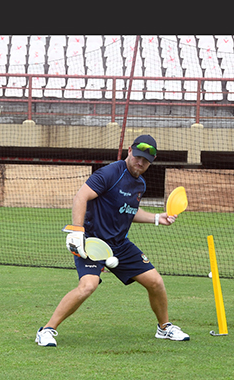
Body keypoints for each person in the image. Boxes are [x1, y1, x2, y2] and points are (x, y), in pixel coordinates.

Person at [35, 135, 190, 348]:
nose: (140, 162)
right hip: (92, 242)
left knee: (156, 282)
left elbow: (128, 211)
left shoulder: (140, 184)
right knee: (88, 286)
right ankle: (46, 330)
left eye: (146, 160)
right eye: (138, 157)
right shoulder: (109, 173)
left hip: (119, 245)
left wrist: (156, 218)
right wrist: (78, 232)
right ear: (129, 151)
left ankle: (164, 328)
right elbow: (81, 197)